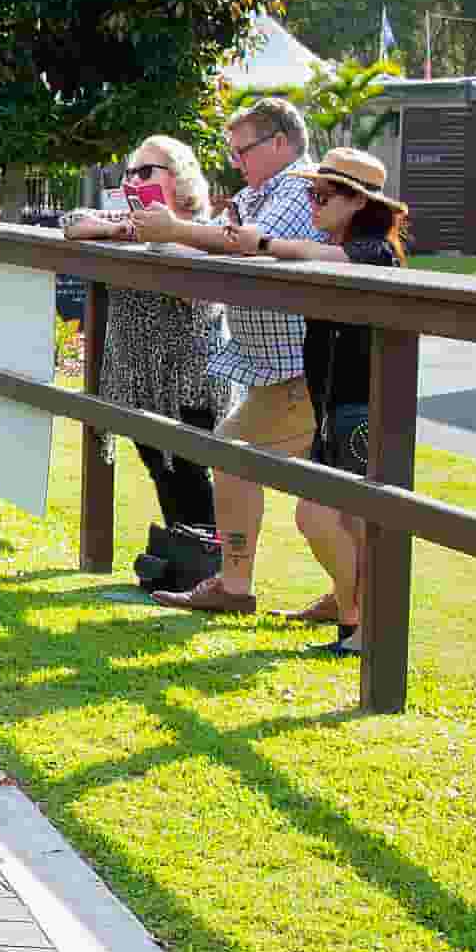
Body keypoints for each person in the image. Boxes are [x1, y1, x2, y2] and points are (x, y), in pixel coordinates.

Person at [126, 98, 321, 613]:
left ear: (279, 143)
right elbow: (224, 239)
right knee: (304, 490)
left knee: (325, 504)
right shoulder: (260, 193)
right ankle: (241, 585)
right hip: (274, 371)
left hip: (304, 369)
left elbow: (244, 245)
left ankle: (351, 604)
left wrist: (173, 231)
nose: (235, 163)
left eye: (242, 151)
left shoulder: (299, 189)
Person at [259, 148, 413, 656]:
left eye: (323, 196)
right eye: (311, 194)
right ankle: (356, 623)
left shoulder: (376, 253)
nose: (313, 203)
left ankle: (360, 623)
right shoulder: (341, 248)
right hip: (334, 409)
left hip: (364, 410)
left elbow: (312, 256)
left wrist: (261, 242)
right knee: (341, 519)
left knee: (322, 517)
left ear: (358, 202)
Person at [59, 134, 229, 590]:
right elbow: (71, 222)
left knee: (191, 471)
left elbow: (200, 297)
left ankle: (213, 572)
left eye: (146, 171)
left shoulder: (202, 229)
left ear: (179, 177)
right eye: (129, 172)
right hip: (138, 376)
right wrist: (123, 230)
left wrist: (164, 236)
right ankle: (186, 565)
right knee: (160, 469)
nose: (134, 180)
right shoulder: (128, 224)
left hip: (189, 375)